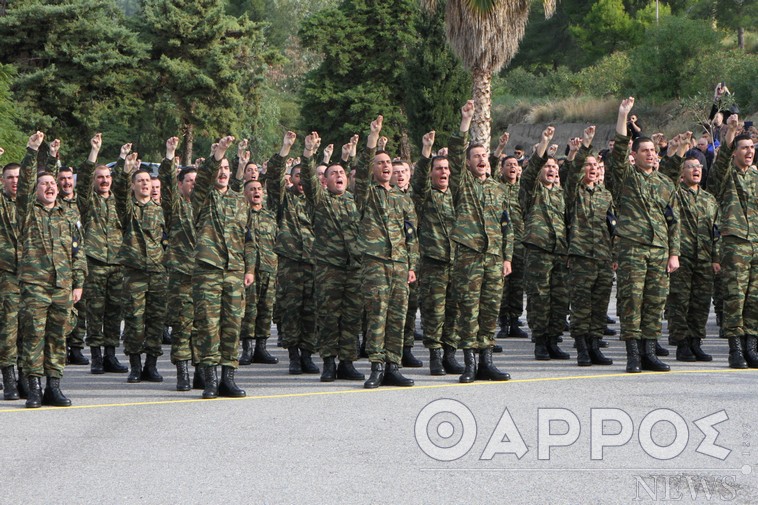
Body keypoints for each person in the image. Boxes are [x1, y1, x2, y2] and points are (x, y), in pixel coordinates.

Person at [609, 97, 680, 373]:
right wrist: (623, 116)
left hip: (659, 250)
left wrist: (673, 252)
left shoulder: (664, 184)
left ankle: (650, 352)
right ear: (635, 155)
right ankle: (633, 355)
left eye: (653, 150)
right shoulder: (627, 176)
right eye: (645, 150)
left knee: (655, 301)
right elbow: (617, 155)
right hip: (633, 249)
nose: (650, 154)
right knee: (631, 301)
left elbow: (674, 220)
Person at [18, 131, 86, 407]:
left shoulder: (67, 215)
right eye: (43, 183)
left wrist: (78, 283)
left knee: (58, 337)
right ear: (36, 190)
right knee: (34, 336)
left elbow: (77, 252)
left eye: (52, 183)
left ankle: (53, 386)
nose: (49, 187)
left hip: (62, 286)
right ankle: (33, 388)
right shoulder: (28, 211)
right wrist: (33, 151)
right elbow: (23, 184)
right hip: (35, 286)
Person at [448, 101, 513, 383]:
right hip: (469, 258)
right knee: (469, 310)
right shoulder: (463, 184)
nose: (481, 159)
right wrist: (466, 122)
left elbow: (506, 225)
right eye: (475, 156)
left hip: (494, 259)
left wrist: (507, 256)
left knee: (490, 310)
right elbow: (452, 157)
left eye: (484, 155)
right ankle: (470, 363)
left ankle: (486, 360)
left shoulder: (498, 189)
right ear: (468, 162)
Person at [355, 115, 418, 388]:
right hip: (375, 263)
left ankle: (393, 365)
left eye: (388, 163)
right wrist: (372, 139)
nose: (385, 167)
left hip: (400, 264)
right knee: (377, 314)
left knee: (398, 315)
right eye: (380, 163)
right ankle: (377, 366)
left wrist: (412, 265)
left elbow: (411, 235)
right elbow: (360, 165)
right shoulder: (366, 193)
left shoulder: (402, 198)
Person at [191, 136, 255, 399]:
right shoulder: (202, 197)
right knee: (208, 325)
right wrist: (219, 154)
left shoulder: (240, 201)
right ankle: (210, 379)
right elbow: (204, 177)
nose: (223, 173)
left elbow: (248, 239)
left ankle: (228, 377)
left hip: (234, 271)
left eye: (227, 169)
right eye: (220, 168)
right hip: (209, 269)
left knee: (232, 325)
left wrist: (249, 269)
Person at [300, 134, 365, 382]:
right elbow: (308, 177)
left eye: (342, 173)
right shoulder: (320, 200)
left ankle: (347, 362)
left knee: (351, 316)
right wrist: (308, 154)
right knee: (328, 316)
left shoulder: (354, 201)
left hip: (353, 267)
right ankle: (328, 361)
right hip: (329, 268)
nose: (339, 175)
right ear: (325, 181)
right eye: (333, 173)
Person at [659, 134, 719, 363]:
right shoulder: (675, 193)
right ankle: (682, 343)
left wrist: (715, 257)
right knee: (679, 302)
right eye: (691, 167)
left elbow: (715, 231)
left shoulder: (709, 200)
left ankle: (696, 342)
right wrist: (680, 150)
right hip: (682, 257)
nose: (696, 170)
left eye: (699, 167)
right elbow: (669, 176)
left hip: (703, 258)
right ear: (682, 173)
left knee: (700, 303)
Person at [113, 144, 168, 383]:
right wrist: (126, 170)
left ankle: (151, 365)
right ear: (134, 186)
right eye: (140, 181)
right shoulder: (128, 210)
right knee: (135, 322)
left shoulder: (161, 210)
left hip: (157, 272)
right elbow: (119, 193)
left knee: (155, 321)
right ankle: (135, 365)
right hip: (134, 273)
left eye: (148, 180)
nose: (145, 184)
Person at [706, 115, 757, 369]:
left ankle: (751, 346)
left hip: (756, 244)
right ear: (734, 152)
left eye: (752, 148)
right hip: (735, 243)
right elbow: (718, 171)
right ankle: (735, 348)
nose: (749, 152)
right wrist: (729, 135)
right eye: (744, 148)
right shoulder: (726, 175)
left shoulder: (756, 176)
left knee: (754, 299)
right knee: (735, 298)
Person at [411, 131, 464, 376]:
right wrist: (426, 151)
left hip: (457, 261)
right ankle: (435, 355)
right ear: (432, 173)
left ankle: (450, 354)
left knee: (454, 311)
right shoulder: (425, 196)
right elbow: (419, 180)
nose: (443, 172)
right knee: (434, 311)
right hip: (434, 263)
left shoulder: (456, 196)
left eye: (446, 168)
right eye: (438, 168)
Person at [267, 132, 318, 375]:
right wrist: (285, 149)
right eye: (297, 176)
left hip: (314, 264)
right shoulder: (283, 200)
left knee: (311, 311)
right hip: (290, 265)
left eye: (304, 176)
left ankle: (308, 354)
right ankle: (294, 356)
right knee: (291, 311)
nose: (301, 180)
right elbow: (273, 179)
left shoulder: (317, 201)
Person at [77, 134, 129, 376]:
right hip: (96, 263)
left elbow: (123, 181)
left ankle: (110, 355)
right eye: (101, 178)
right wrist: (94, 152)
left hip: (117, 263)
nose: (104, 181)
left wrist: (122, 159)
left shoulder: (118, 201)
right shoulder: (89, 202)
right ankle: (96, 356)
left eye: (107, 177)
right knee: (95, 312)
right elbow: (83, 180)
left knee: (114, 312)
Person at [564, 127, 614, 366]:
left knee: (600, 304)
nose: (592, 169)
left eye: (596, 166)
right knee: (582, 305)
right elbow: (573, 173)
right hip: (581, 257)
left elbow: (612, 226)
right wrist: (583, 147)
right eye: (588, 165)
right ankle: (582, 348)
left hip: (603, 257)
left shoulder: (606, 195)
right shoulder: (575, 192)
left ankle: (595, 345)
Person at [520, 126, 570, 361]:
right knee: (539, 298)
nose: (550, 170)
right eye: (547, 166)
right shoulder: (532, 191)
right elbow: (529, 175)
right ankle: (540, 341)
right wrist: (543, 144)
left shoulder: (561, 194)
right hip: (538, 251)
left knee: (559, 299)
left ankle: (553, 340)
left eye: (554, 167)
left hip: (559, 251)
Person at [159, 137, 198, 391]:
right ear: (180, 185)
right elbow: (167, 188)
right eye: (189, 181)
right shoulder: (176, 208)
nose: (194, 185)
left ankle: (202, 371)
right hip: (182, 277)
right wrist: (170, 156)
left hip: (206, 276)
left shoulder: (207, 207)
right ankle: (183, 371)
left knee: (204, 328)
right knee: (183, 327)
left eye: (197, 181)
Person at [238, 178, 279, 367]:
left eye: (259, 189)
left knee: (265, 310)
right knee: (249, 310)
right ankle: (247, 349)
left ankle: (261, 348)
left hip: (269, 269)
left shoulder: (270, 217)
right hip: (248, 271)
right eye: (252, 189)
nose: (256, 192)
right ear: (245, 193)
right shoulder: (240, 216)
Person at [0, 149, 21, 400]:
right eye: (9, 177)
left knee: (28, 331)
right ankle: (8, 378)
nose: (14, 181)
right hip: (7, 275)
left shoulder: (30, 204)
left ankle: (26, 377)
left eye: (18, 177)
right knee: (8, 329)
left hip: (32, 277)